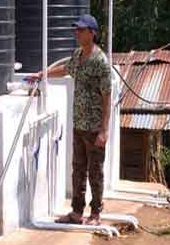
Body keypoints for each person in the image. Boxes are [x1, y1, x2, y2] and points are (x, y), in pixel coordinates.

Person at [31, 13, 112, 226]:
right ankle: (77, 212)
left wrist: (104, 130)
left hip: (94, 127)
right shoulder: (78, 55)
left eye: (81, 30)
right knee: (78, 170)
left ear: (92, 33)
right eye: (76, 29)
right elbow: (66, 69)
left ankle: (95, 214)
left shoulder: (100, 61)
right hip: (78, 124)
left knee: (95, 173)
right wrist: (44, 74)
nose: (77, 33)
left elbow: (107, 97)